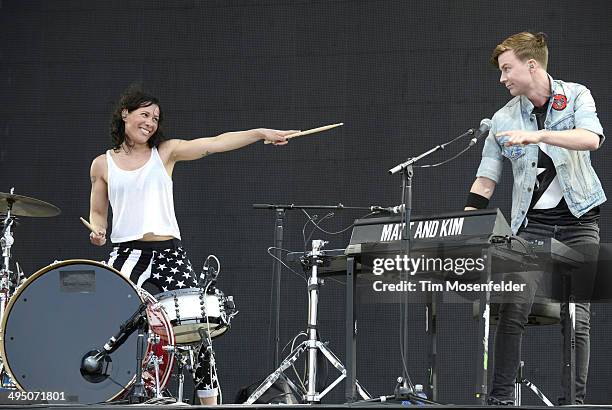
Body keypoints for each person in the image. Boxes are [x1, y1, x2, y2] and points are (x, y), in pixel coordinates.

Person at [88, 86, 296, 404]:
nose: (150, 122)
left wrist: (258, 133)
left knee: (198, 329)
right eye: (144, 114)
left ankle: (209, 403)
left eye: (155, 117)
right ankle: (109, 394)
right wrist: (98, 232)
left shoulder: (166, 152)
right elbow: (98, 214)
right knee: (112, 322)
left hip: (169, 253)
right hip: (127, 252)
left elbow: (213, 144)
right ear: (125, 114)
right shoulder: (102, 165)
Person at [465, 32, 605, 405]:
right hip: (532, 228)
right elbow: (486, 176)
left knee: (577, 316)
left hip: (579, 222)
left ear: (532, 65)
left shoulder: (575, 95)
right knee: (512, 308)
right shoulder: (502, 118)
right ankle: (500, 399)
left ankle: (571, 402)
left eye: (507, 68)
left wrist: (539, 136)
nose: (502, 78)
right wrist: (466, 222)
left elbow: (591, 138)